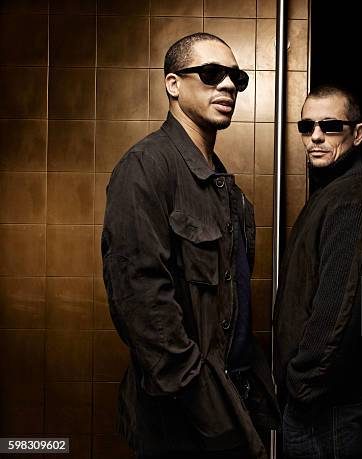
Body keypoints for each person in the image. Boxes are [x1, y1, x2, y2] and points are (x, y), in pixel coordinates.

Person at [102, 33, 278, 459]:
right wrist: (201, 399)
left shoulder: (225, 188)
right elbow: (141, 301)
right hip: (184, 416)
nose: (228, 85)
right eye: (212, 73)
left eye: (236, 76)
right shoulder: (145, 167)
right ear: (173, 84)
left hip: (229, 400)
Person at [273, 84, 362, 458]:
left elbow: (339, 310)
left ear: (358, 134)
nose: (316, 137)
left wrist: (303, 384)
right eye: (307, 127)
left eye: (330, 126)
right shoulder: (333, 193)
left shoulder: (354, 199)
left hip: (327, 410)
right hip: (318, 405)